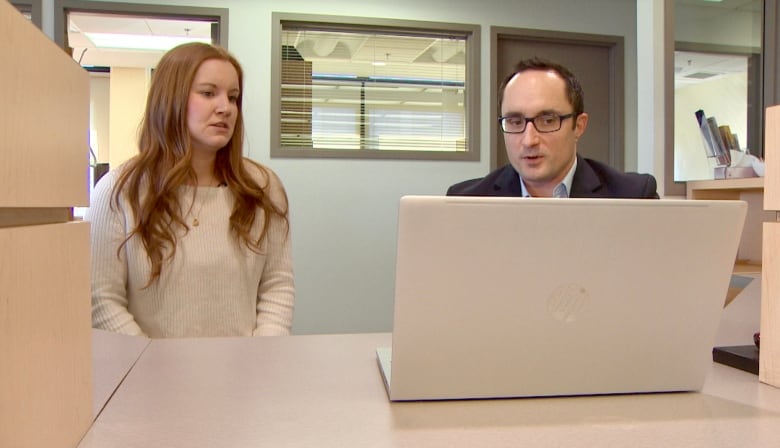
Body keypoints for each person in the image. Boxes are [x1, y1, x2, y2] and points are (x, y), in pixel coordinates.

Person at [86, 43, 294, 338]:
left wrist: (261, 355)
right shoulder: (120, 191)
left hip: (246, 373)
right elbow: (102, 300)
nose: (225, 108)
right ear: (171, 99)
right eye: (208, 93)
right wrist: (153, 364)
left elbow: (277, 284)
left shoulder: (263, 188)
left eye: (233, 97)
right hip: (152, 375)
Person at [448, 57, 658, 198]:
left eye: (547, 120)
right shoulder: (466, 200)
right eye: (515, 121)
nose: (529, 140)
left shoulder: (632, 195)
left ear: (579, 126)